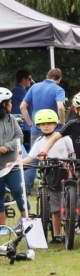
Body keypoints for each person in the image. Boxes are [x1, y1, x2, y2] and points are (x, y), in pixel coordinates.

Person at [18, 108, 71, 238]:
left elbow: (73, 153)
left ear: (55, 124)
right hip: (50, 176)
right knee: (55, 208)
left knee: (67, 204)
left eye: (49, 123)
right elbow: (31, 158)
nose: (46, 126)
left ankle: (69, 233)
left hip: (65, 174)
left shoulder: (64, 138)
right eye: (43, 124)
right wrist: (15, 163)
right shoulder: (39, 141)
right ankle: (57, 235)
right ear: (38, 126)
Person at [20, 67, 66, 143]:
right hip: (54, 129)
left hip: (37, 128)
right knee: (54, 154)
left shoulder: (34, 87)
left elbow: (22, 106)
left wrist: (30, 123)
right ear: (59, 79)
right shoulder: (59, 90)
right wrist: (62, 122)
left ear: (47, 76)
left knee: (35, 154)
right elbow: (60, 107)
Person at [0, 89, 23, 228]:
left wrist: (7, 147)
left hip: (12, 163)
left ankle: (26, 221)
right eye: (9, 102)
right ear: (2, 104)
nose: (11, 103)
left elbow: (19, 136)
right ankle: (2, 225)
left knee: (18, 191)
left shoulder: (11, 119)